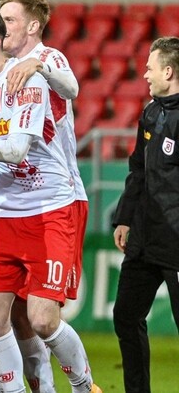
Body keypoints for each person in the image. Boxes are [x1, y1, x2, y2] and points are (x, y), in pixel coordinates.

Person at [0, 7, 99, 393]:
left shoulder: (29, 79)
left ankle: (83, 385)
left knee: (42, 320)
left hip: (50, 211)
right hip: (5, 215)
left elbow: (14, 151)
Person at [0, 0, 87, 393]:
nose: (3, 28)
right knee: (10, 317)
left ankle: (85, 386)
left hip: (57, 202)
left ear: (33, 27)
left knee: (43, 319)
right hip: (10, 208)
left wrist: (38, 64)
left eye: (10, 20)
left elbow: (70, 88)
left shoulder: (49, 58)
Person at [112, 36, 179, 393]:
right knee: (125, 316)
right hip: (145, 238)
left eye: (150, 68)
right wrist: (124, 218)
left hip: (176, 240)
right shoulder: (152, 111)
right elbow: (138, 169)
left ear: (168, 71)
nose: (144, 75)